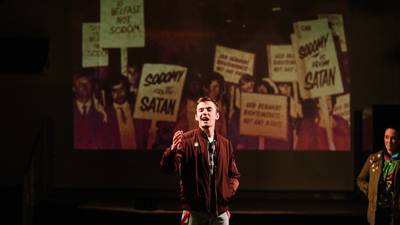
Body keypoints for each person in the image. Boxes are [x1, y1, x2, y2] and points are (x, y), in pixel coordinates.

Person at [160, 97, 240, 225]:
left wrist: (226, 193)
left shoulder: (226, 144)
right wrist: (172, 150)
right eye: (201, 110)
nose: (205, 113)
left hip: (220, 214)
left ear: (217, 115)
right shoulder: (186, 140)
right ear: (196, 116)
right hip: (195, 213)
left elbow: (234, 175)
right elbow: (167, 169)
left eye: (209, 109)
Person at [357, 126, 400, 225]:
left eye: (393, 138)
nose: (389, 141)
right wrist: (369, 189)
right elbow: (360, 179)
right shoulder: (373, 159)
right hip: (376, 212)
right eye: (386, 137)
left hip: (395, 212)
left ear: (398, 141)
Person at [73, 71, 107, 149]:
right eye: (80, 84)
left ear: (92, 86)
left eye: (87, 83)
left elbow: (106, 139)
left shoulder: (101, 111)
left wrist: (104, 116)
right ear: (74, 88)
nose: (84, 86)